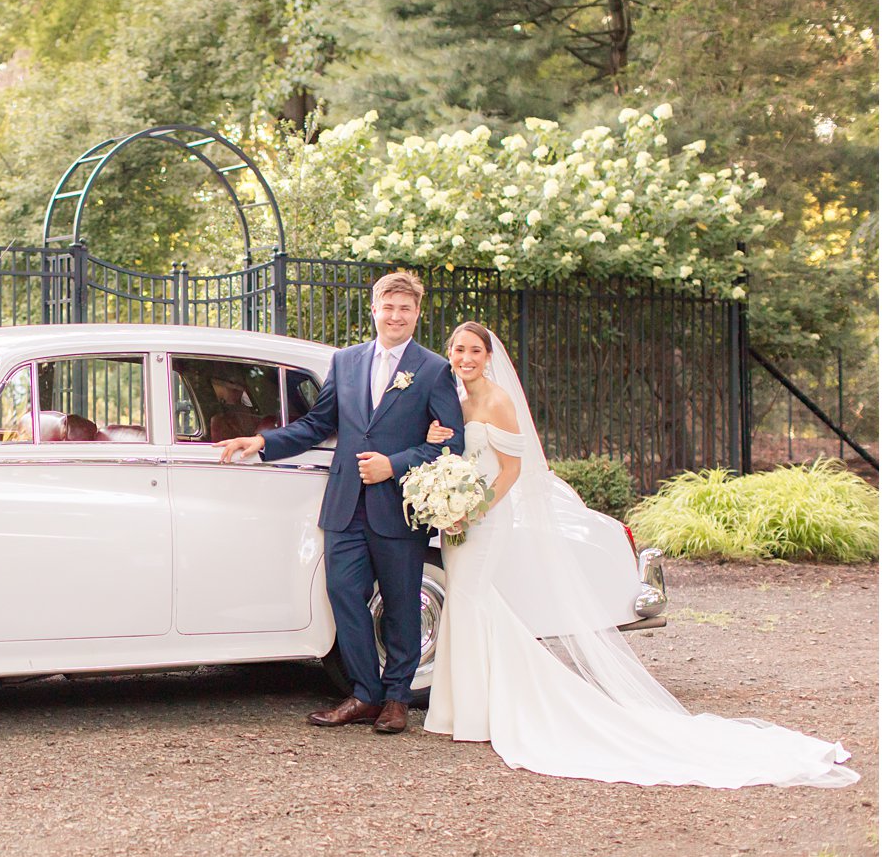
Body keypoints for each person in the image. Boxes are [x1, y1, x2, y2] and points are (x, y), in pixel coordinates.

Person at [421, 321, 858, 787]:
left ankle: (482, 712)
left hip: (487, 518)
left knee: (470, 600)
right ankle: (462, 708)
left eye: (473, 350)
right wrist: (445, 489)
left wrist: (476, 508)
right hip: (458, 519)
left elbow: (511, 470)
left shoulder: (499, 400)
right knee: (470, 604)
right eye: (458, 349)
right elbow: (454, 456)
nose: (465, 357)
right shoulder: (458, 401)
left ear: (488, 356)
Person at [218, 271, 465, 734]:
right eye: (388, 307)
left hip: (398, 506)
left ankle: (396, 700)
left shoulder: (433, 369)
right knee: (344, 594)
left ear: (416, 314)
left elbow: (450, 444)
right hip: (345, 504)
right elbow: (317, 424)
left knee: (399, 604)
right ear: (374, 309)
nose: (395, 316)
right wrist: (262, 442)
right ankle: (365, 694)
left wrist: (394, 464)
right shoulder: (346, 362)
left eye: (405, 309)